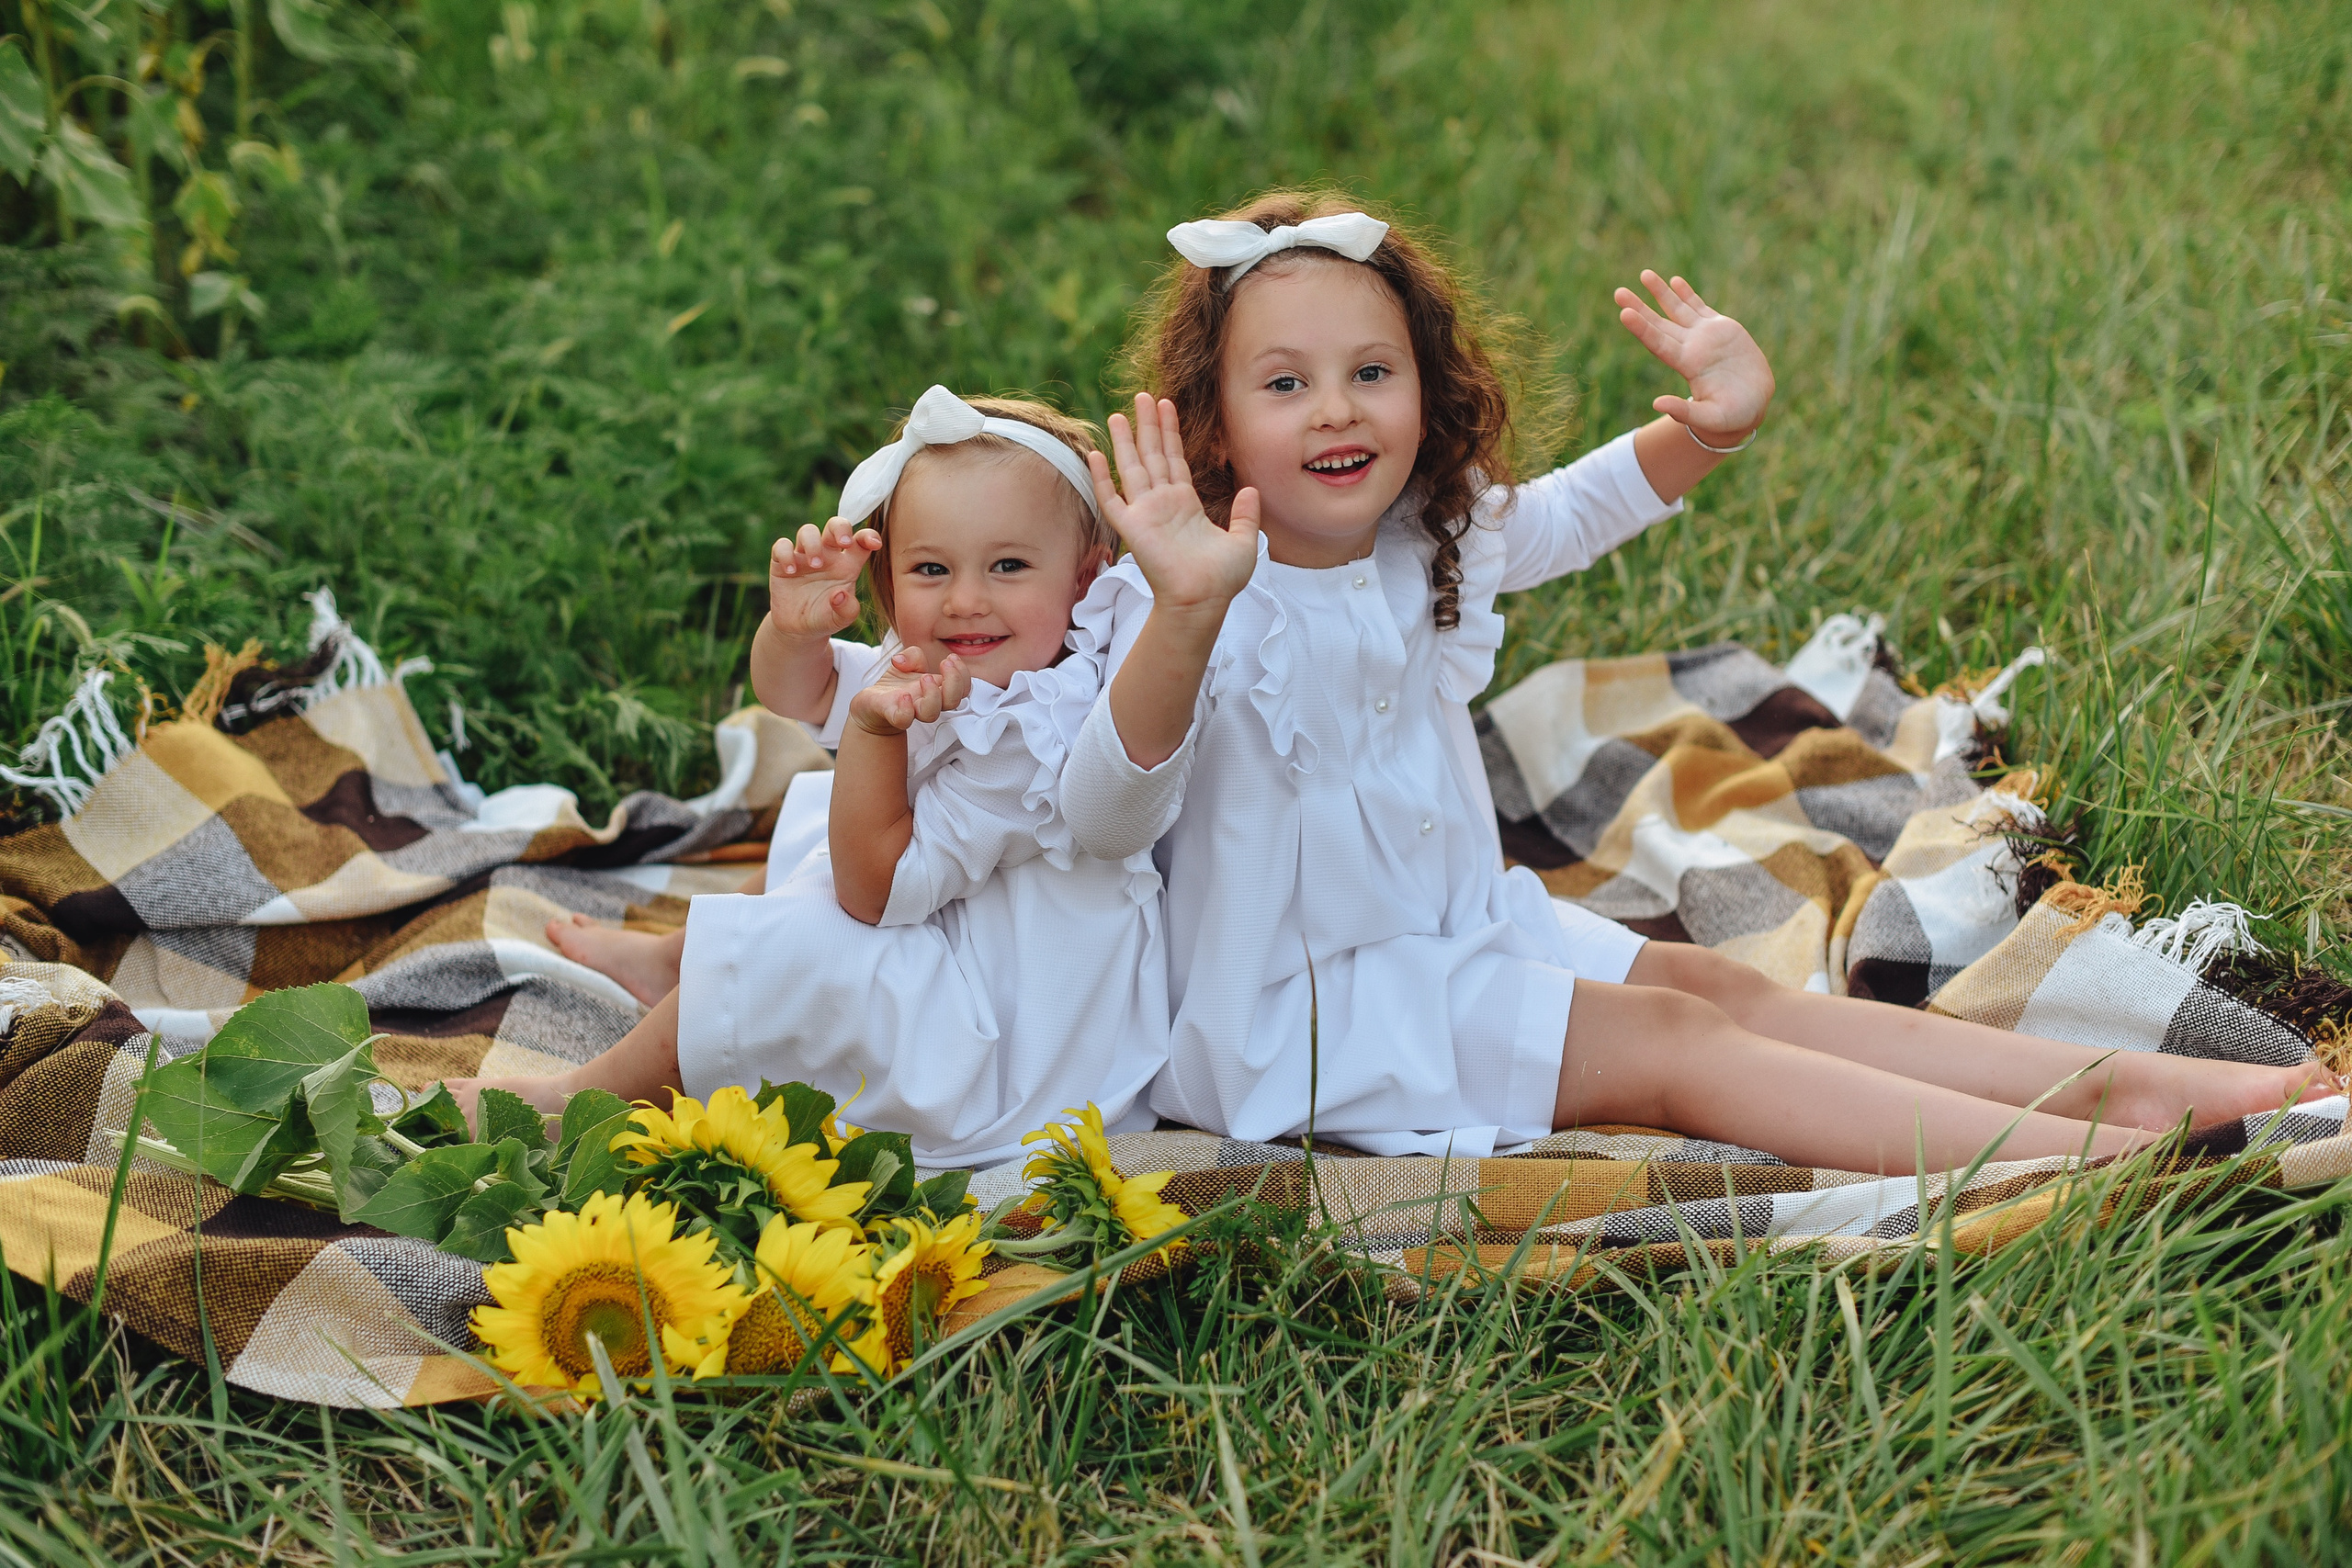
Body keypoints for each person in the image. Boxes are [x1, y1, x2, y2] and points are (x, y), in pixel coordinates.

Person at [1055, 190, 2339, 1173]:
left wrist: (1706, 428)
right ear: (1211, 421)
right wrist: (1184, 611)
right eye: (1286, 384)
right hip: (1304, 1016)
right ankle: (2140, 1163)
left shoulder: (1420, 537)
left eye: (1369, 372)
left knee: (1713, 985)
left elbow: (1567, 512)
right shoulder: (1186, 595)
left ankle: (2199, 1091)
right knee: (1678, 1051)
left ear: (1423, 388)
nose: (1337, 409)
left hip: (1457, 935)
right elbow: (1107, 814)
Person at [452, 388, 1170, 1167]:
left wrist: (871, 731)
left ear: (1085, 578)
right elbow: (805, 692)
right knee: (811, 815)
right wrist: (792, 632)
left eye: (1008, 565)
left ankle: (584, 1097)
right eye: (931, 568)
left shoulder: (1037, 733)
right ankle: (678, 962)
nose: (966, 598)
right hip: (954, 932)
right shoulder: (971, 661)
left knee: (803, 931)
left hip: (1004, 1041)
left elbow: (874, 888)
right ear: (890, 582)